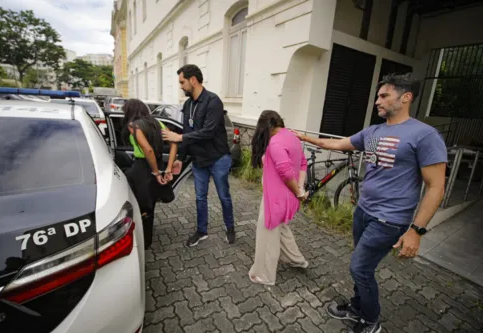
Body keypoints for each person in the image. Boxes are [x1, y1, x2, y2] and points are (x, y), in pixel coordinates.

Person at [293, 73, 447, 333]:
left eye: (384, 95)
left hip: (389, 219)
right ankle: (357, 306)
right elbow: (339, 143)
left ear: (406, 97)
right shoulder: (375, 132)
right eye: (378, 96)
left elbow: (436, 186)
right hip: (363, 211)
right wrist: (303, 137)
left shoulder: (424, 135)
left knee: (360, 267)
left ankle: (371, 320)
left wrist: (416, 230)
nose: (377, 101)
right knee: (361, 267)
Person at [162, 64, 235, 247]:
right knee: (200, 197)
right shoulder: (188, 105)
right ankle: (202, 231)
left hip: (218, 158)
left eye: (182, 82)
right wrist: (180, 158)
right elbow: (188, 132)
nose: (181, 86)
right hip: (198, 161)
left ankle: (230, 227)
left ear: (193, 80)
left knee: (223, 196)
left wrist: (179, 137)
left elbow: (208, 131)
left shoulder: (213, 101)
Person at [248, 110, 309, 286]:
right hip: (287, 197)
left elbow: (285, 172)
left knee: (267, 236)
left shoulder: (274, 143)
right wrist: (300, 189)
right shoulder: (291, 136)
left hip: (275, 199)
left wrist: (299, 191)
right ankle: (297, 260)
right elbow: (302, 164)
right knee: (282, 230)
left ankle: (264, 276)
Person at [122, 99, 179, 250]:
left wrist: (155, 172)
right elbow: (174, 143)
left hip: (142, 168)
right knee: (150, 205)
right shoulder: (157, 123)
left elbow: (147, 150)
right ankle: (147, 240)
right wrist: (166, 169)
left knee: (140, 205)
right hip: (157, 164)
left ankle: (141, 240)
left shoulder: (133, 126)